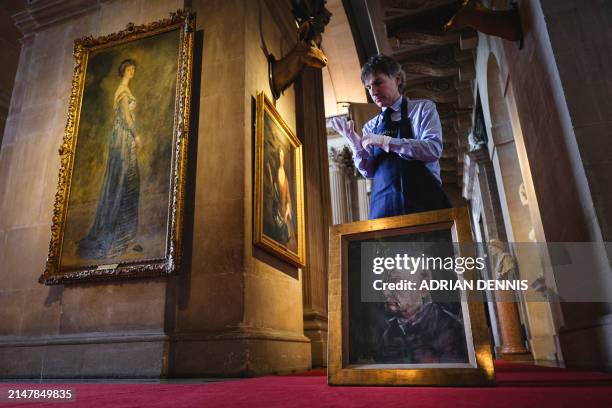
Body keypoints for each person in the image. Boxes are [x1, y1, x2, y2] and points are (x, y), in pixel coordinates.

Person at [331, 54, 451, 219]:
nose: (373, 92)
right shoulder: (370, 127)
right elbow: (368, 171)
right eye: (368, 87)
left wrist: (386, 142)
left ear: (398, 79)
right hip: (384, 208)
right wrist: (354, 143)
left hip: (424, 203)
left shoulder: (422, 109)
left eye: (378, 83)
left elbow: (432, 150)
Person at [78, 59, 142, 259]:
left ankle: (127, 237)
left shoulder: (125, 89)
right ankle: (118, 238)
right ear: (123, 70)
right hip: (123, 139)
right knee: (123, 184)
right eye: (128, 68)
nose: (131, 71)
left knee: (129, 184)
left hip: (122, 139)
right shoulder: (122, 90)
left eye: (133, 68)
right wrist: (137, 136)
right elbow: (125, 117)